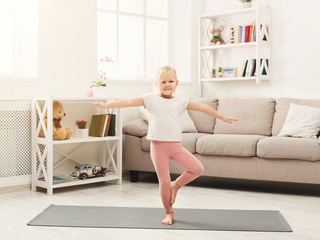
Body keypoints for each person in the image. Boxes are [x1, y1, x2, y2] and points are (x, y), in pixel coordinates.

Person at [90, 65, 237, 225]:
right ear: (156, 84)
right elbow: (129, 101)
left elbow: (202, 107)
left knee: (197, 169)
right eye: (163, 81)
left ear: (177, 83)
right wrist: (107, 105)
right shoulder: (150, 99)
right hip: (158, 147)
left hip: (175, 146)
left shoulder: (181, 102)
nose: (167, 84)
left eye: (170, 81)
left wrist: (221, 116)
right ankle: (169, 212)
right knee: (164, 181)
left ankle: (176, 185)